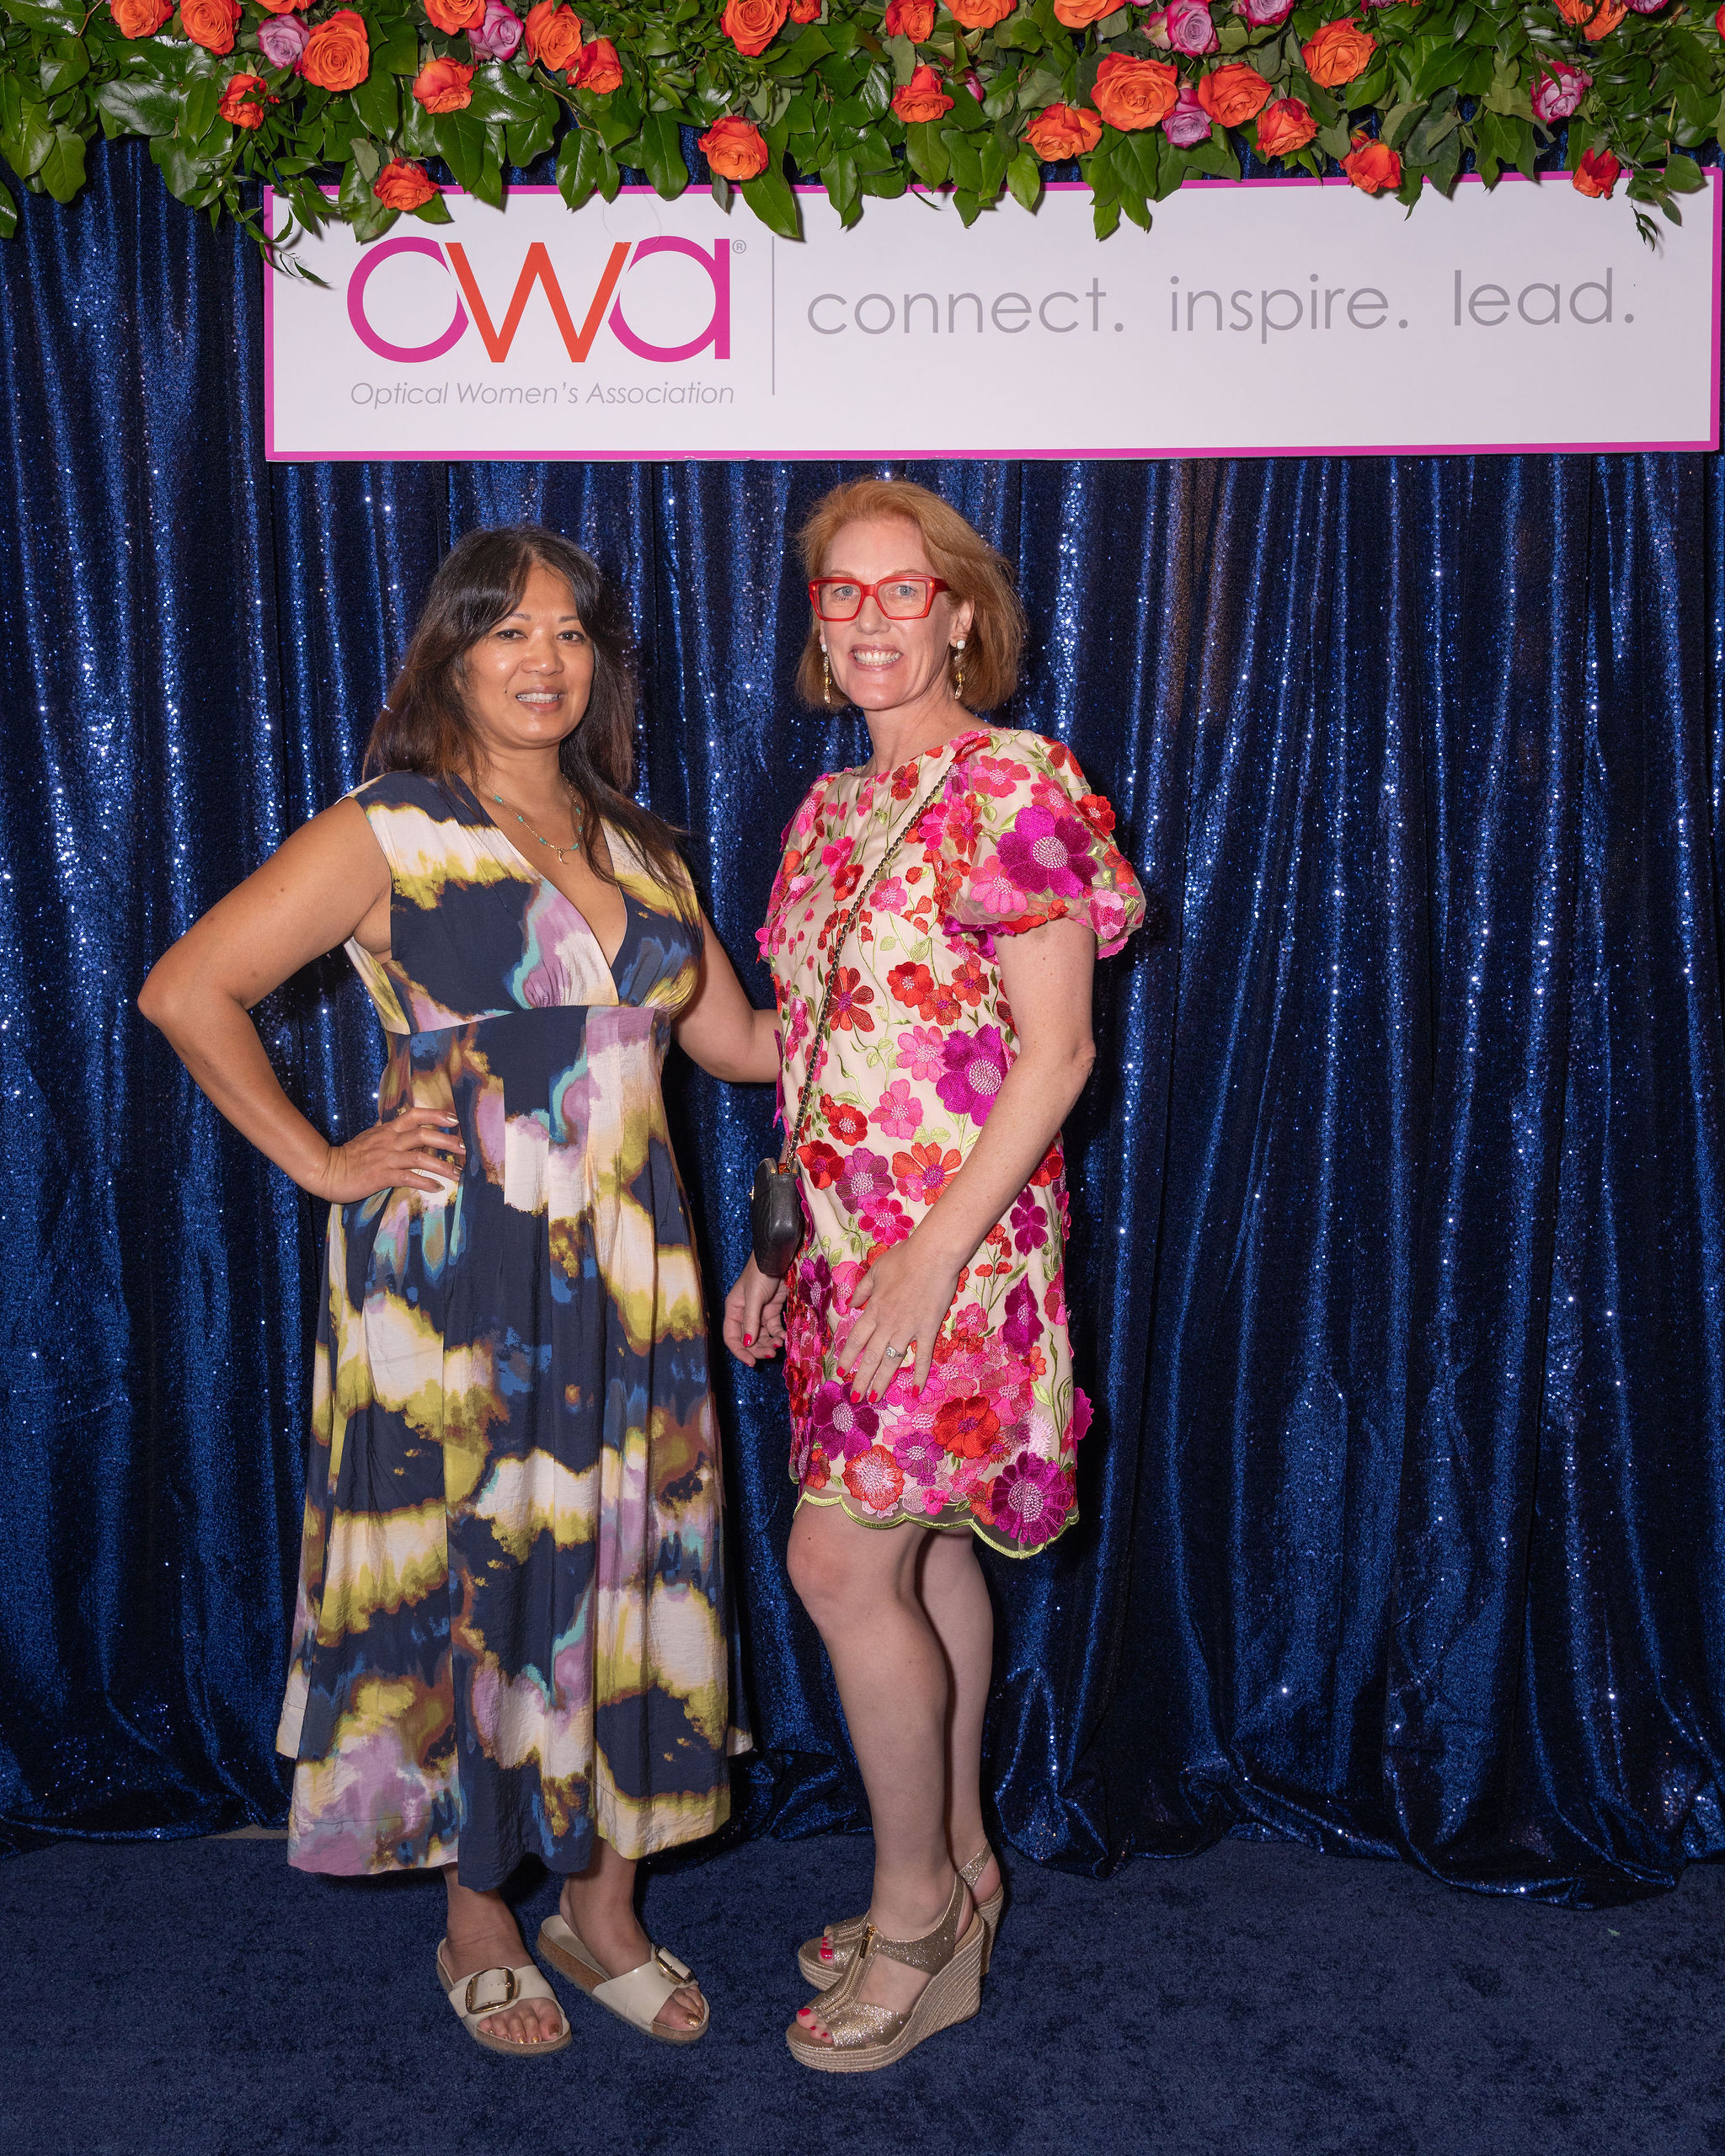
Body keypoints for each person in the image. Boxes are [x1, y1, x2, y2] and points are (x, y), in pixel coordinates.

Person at [140, 526, 777, 2058]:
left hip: (630, 1275)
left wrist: (919, 975)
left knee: (621, 1565)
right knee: (473, 1576)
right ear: (452, 655)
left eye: (570, 633)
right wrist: (324, 1160)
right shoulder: (393, 824)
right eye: (509, 631)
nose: (544, 660)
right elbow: (187, 988)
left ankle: (603, 1910)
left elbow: (748, 1046)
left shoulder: (643, 845)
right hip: (454, 1279)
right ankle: (477, 1916)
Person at [725, 478, 1146, 2073]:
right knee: (926, 1555)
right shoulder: (829, 812)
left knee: (841, 1568)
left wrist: (927, 1258)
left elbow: (1058, 1056)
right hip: (843, 1257)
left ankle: (915, 1921)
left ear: (960, 614)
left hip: (955, 1256)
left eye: (904, 590)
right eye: (841, 594)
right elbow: (808, 1055)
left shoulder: (1016, 782)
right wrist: (779, 1252)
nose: (871, 619)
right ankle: (964, 1869)